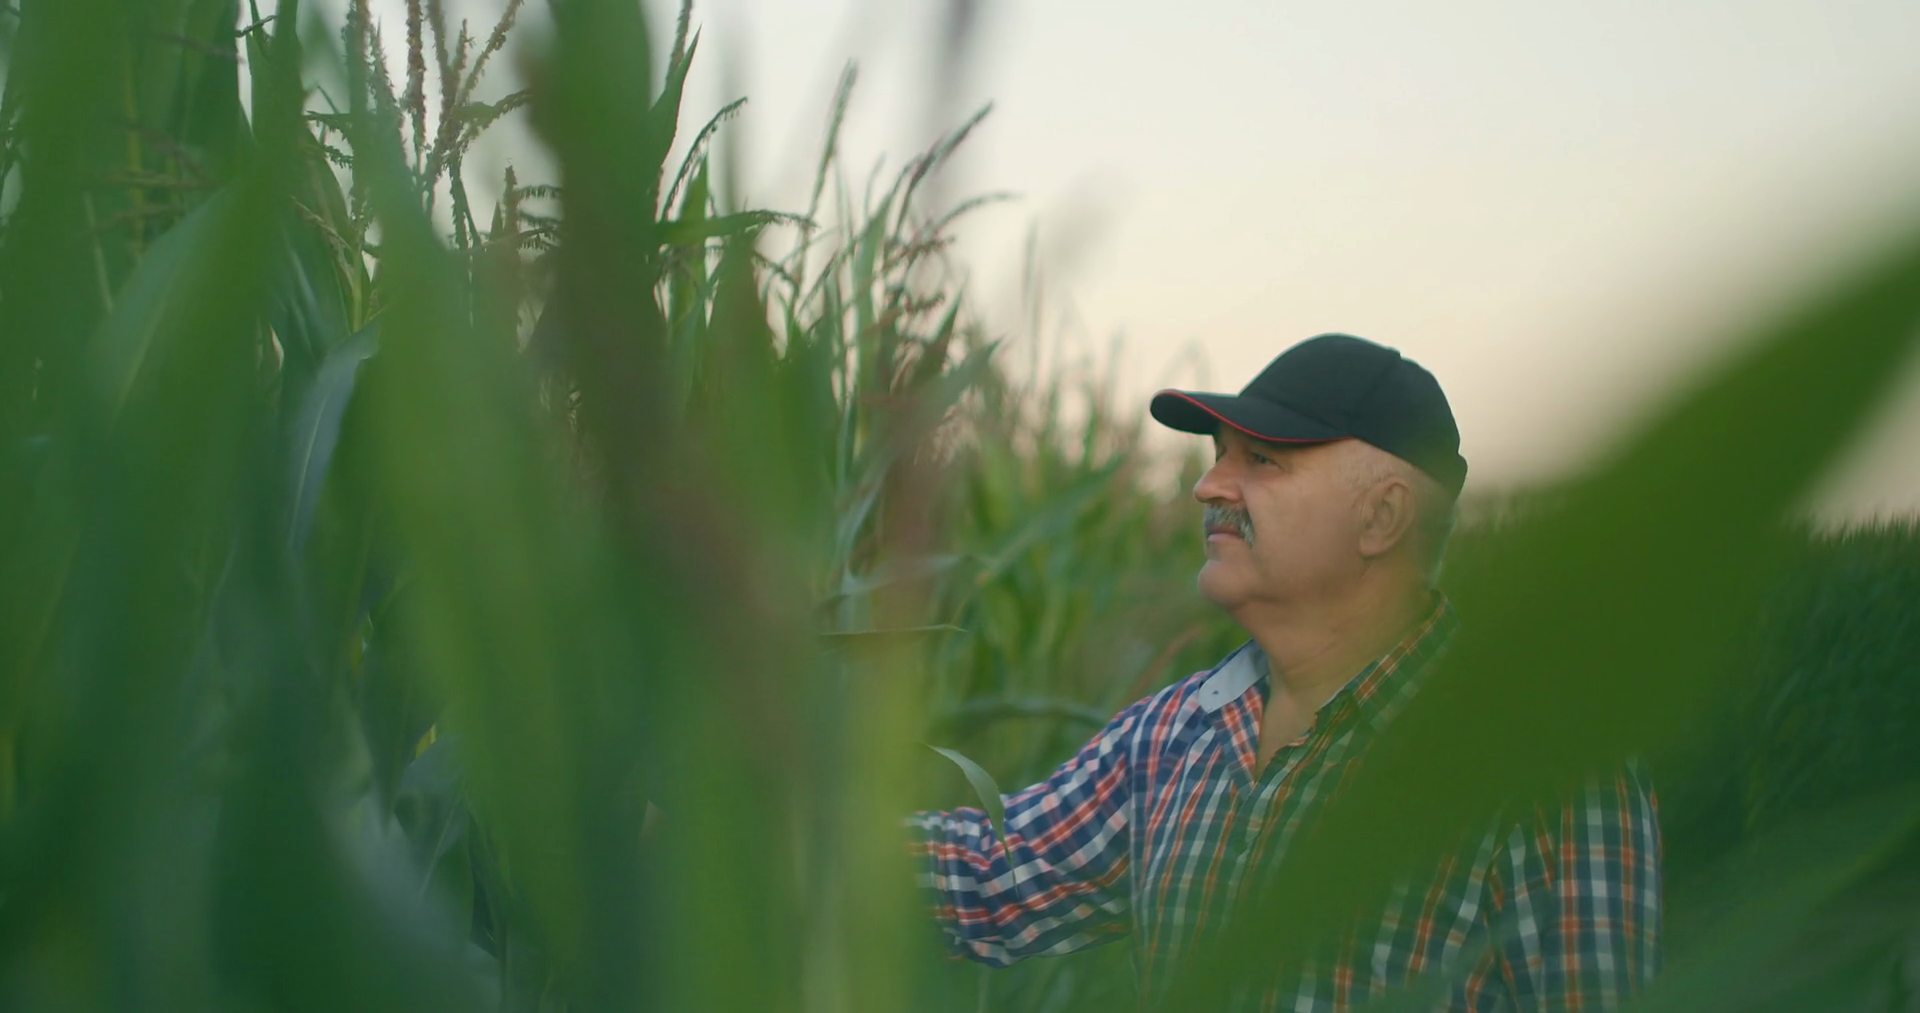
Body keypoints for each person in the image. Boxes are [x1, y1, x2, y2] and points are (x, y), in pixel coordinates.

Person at [909, 334, 1661, 1012]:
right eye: (1217, 455)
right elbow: (986, 877)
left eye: (1261, 460)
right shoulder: (1173, 737)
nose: (1209, 487)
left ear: (1381, 518)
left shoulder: (1546, 769)